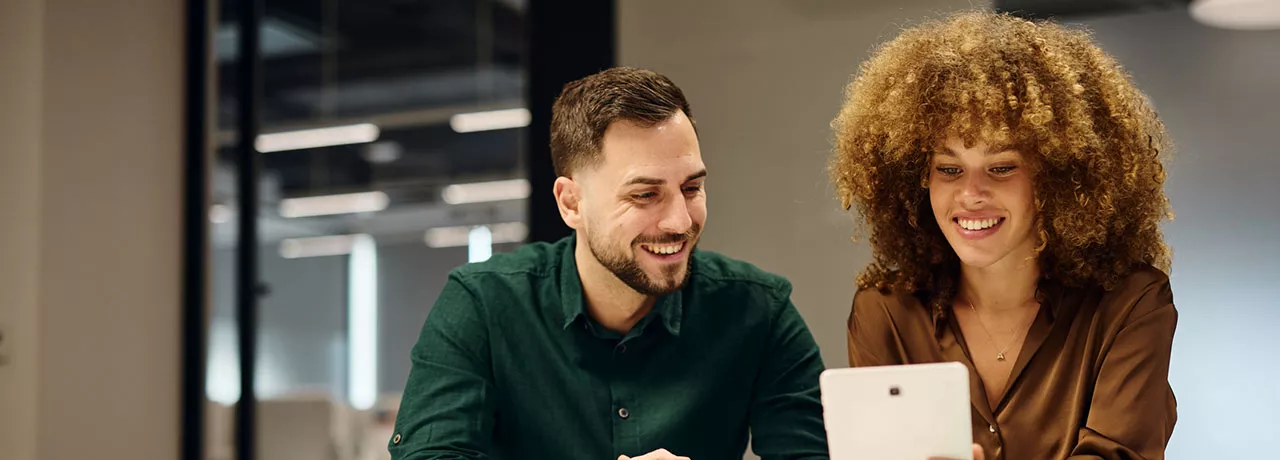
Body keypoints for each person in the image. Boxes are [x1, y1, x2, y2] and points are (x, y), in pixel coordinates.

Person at [390, 67, 829, 460]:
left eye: (691, 188)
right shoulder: (483, 304)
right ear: (571, 203)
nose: (680, 221)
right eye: (644, 195)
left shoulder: (758, 310)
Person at [829, 11, 1177, 460]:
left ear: (1057, 177)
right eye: (949, 169)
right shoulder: (885, 313)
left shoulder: (1129, 303)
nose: (971, 194)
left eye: (1001, 168)